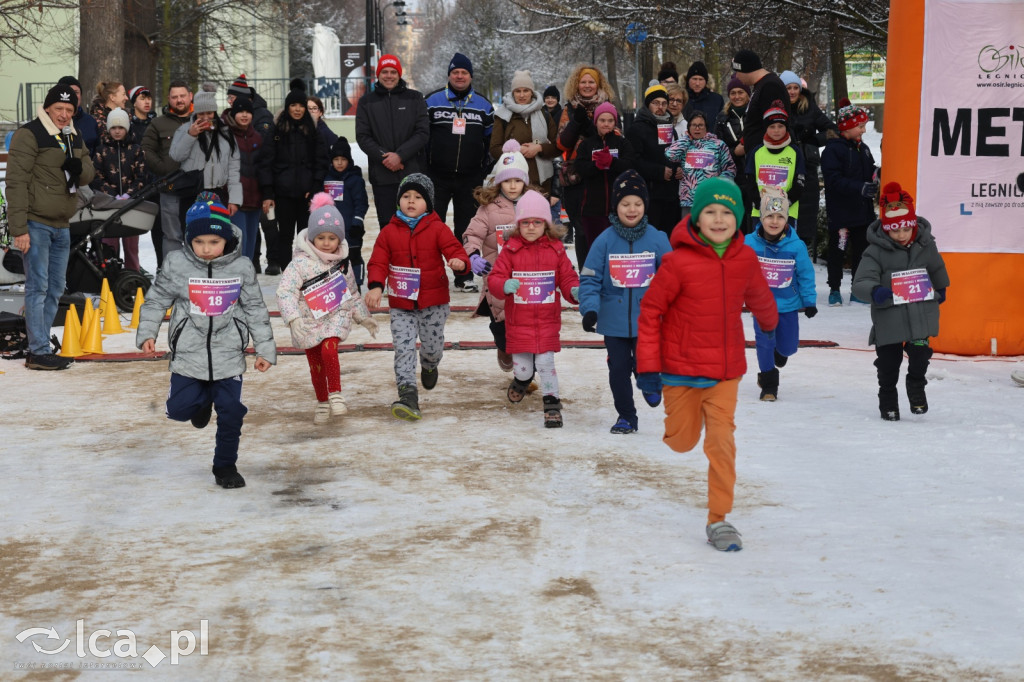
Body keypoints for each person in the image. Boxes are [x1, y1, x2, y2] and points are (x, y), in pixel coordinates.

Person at [636, 177, 778, 552]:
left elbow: (759, 294)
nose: (719, 219)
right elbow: (650, 312)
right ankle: (683, 425)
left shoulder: (745, 258)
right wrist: (647, 370)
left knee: (721, 442)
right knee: (682, 443)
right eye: (710, 212)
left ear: (739, 219)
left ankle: (719, 520)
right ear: (696, 219)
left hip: (725, 370)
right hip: (680, 369)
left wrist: (771, 328)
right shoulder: (677, 263)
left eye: (727, 212)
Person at [137, 196, 276, 488]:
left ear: (226, 239)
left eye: (214, 241)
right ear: (189, 239)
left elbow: (255, 310)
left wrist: (264, 349)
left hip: (228, 355)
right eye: (199, 241)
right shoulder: (177, 264)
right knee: (178, 409)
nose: (207, 249)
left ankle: (225, 467)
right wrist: (148, 332)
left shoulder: (242, 267)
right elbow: (155, 300)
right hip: (189, 353)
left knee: (232, 412)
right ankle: (201, 403)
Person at [363, 174, 469, 421]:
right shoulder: (389, 231)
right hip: (401, 303)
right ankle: (408, 393)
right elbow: (378, 261)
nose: (411, 201)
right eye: (406, 196)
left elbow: (455, 250)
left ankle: (430, 364)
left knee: (432, 347)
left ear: (428, 203)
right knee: (403, 347)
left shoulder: (438, 228)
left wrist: (459, 262)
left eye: (418, 197)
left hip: (434, 302)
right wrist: (377, 286)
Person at [6, 83, 96, 370]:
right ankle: (38, 350)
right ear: (47, 108)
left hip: (62, 223)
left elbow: (88, 172)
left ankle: (41, 345)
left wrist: (79, 168)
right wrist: (18, 228)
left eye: (69, 110)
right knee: (38, 287)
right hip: (35, 223)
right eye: (59, 109)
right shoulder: (29, 134)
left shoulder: (72, 134)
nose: (63, 114)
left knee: (56, 287)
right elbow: (16, 183)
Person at [578, 169, 671, 433]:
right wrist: (590, 309)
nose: (632, 210)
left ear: (645, 206)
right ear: (615, 207)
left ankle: (649, 380)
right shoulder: (604, 241)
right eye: (625, 204)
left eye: (637, 204)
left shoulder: (657, 239)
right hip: (613, 321)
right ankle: (627, 417)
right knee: (618, 370)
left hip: (648, 320)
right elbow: (590, 279)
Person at [275, 193, 378, 424]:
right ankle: (322, 401)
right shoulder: (300, 263)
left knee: (329, 349)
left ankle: (336, 394)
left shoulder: (343, 262)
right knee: (316, 364)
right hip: (307, 319)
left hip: (335, 315)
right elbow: (285, 291)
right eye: (321, 237)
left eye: (332, 237)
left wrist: (363, 317)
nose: (326, 242)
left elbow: (351, 292)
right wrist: (293, 318)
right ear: (312, 237)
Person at [852, 183, 949, 421]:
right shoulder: (875, 251)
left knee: (920, 355)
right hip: (889, 315)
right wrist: (875, 291)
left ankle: (916, 385)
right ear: (886, 230)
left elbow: (936, 266)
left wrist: (941, 286)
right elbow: (861, 281)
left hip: (919, 311)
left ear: (913, 224)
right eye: (895, 230)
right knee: (888, 362)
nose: (902, 235)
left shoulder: (925, 244)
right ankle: (887, 396)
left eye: (906, 228)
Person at [487, 189, 579, 428]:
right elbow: (495, 278)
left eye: (537, 222)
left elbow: (568, 277)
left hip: (547, 321)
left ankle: (551, 404)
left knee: (547, 364)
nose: (530, 227)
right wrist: (504, 285)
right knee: (525, 367)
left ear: (546, 224)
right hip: (519, 323)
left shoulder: (556, 249)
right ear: (518, 224)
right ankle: (522, 379)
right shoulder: (510, 250)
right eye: (525, 222)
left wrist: (574, 291)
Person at [464, 140, 540, 372]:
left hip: (529, 278)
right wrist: (474, 256)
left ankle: (527, 366)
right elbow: (472, 234)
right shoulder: (488, 209)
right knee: (502, 324)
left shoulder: (535, 205)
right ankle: (504, 346)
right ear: (499, 182)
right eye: (507, 180)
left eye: (518, 180)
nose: (513, 186)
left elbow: (549, 235)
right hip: (498, 277)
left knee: (529, 325)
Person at [424, 52, 495, 293]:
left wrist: (484, 167)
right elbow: (423, 137)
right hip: (437, 176)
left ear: (471, 76)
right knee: (433, 225)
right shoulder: (432, 101)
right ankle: (433, 273)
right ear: (449, 75)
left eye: (464, 72)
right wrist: (426, 166)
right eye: (455, 72)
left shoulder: (484, 105)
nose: (460, 76)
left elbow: (490, 142)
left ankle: (464, 275)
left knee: (467, 228)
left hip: (470, 178)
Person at [745, 187, 817, 401]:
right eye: (769, 216)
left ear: (786, 219)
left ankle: (780, 352)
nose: (774, 221)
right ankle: (769, 384)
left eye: (779, 216)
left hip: (788, 304)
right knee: (764, 342)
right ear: (761, 217)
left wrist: (809, 301)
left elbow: (805, 274)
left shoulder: (796, 245)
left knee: (788, 347)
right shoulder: (749, 243)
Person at [258, 84, 328, 273]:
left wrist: (314, 187)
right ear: (288, 107)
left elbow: (321, 161)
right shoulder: (276, 130)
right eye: (293, 105)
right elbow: (266, 162)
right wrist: (268, 191)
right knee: (285, 236)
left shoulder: (313, 130)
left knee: (305, 236)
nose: (297, 109)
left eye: (301, 105)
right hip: (283, 194)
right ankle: (289, 274)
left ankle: (305, 273)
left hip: (307, 194)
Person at [355, 54, 430, 228]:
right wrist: (386, 158)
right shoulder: (366, 102)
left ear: (399, 74)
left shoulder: (415, 98)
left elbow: (422, 133)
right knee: (388, 228)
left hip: (412, 174)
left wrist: (400, 156)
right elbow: (363, 137)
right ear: (378, 75)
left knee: (415, 227)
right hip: (382, 177)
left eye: (393, 72)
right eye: (385, 72)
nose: (389, 76)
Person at [821, 98, 878, 306]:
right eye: (860, 126)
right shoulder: (833, 150)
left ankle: (857, 289)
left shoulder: (863, 149)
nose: (863, 130)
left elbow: (869, 169)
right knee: (838, 251)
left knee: (862, 252)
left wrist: (876, 174)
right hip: (841, 214)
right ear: (847, 127)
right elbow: (833, 180)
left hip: (862, 213)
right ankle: (834, 289)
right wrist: (859, 187)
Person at [556, 64, 615, 265]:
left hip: (602, 176)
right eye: (583, 81)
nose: (587, 85)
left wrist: (589, 126)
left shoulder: (608, 107)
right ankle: (585, 276)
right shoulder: (569, 109)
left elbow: (615, 141)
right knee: (581, 230)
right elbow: (561, 143)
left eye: (591, 81)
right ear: (576, 84)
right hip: (576, 177)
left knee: (601, 227)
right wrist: (575, 122)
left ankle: (602, 274)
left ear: (598, 84)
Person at [780, 70, 838, 251]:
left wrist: (813, 140)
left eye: (795, 88)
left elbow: (832, 130)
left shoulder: (810, 107)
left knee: (806, 208)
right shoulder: (776, 107)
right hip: (782, 162)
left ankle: (803, 245)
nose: (792, 91)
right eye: (788, 88)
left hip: (807, 164)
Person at [574, 102, 636, 268]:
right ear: (596, 122)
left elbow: (630, 164)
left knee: (616, 253)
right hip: (592, 208)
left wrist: (612, 162)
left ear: (615, 122)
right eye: (602, 120)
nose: (606, 124)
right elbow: (579, 167)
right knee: (594, 251)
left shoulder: (623, 143)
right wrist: (596, 166)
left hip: (618, 209)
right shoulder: (587, 144)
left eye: (610, 120)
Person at [169, 90, 241, 228]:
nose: (206, 117)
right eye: (201, 114)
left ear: (215, 112)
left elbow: (234, 168)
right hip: (192, 193)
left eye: (209, 113)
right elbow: (176, 156)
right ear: (195, 113)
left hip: (218, 194)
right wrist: (191, 135)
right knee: (192, 238)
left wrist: (234, 199)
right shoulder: (184, 130)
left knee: (216, 236)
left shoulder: (226, 133)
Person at [142, 79, 193, 263]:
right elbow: (146, 150)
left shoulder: (202, 120)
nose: (179, 100)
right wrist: (163, 169)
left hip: (198, 190)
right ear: (168, 99)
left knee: (197, 235)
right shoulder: (158, 123)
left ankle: (195, 278)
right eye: (174, 97)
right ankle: (171, 277)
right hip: (170, 188)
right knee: (171, 236)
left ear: (190, 96)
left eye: (182, 96)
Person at [91, 107, 145, 271]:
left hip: (130, 206)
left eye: (120, 127)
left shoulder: (136, 150)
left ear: (126, 128)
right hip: (109, 206)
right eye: (113, 128)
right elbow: (96, 177)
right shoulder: (102, 151)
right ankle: (110, 276)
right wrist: (113, 195)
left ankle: (131, 277)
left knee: (131, 247)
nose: (117, 131)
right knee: (109, 245)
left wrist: (129, 195)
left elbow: (142, 176)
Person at [626, 84, 682, 235]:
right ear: (648, 105)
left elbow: (674, 154)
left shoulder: (669, 126)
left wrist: (678, 169)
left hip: (670, 194)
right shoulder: (637, 129)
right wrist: (658, 171)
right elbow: (634, 161)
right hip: (650, 194)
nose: (660, 107)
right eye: (656, 103)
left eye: (664, 103)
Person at [490, 70, 558, 195]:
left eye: (526, 90)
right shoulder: (502, 115)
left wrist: (539, 148)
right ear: (513, 93)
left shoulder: (544, 114)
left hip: (541, 183)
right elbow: (494, 149)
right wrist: (516, 151)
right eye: (518, 91)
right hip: (512, 184)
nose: (522, 95)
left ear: (531, 92)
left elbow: (557, 146)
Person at [743, 100, 805, 230]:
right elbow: (749, 181)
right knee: (760, 249)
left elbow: (800, 182)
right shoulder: (756, 152)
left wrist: (785, 203)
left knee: (785, 249)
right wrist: (760, 203)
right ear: (766, 128)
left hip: (788, 212)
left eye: (780, 126)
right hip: (760, 212)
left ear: (786, 127)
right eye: (772, 126)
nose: (776, 130)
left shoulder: (795, 152)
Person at [664, 111, 736, 220]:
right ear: (689, 127)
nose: (697, 128)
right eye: (694, 125)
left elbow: (730, 169)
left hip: (711, 199)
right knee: (688, 234)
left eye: (700, 125)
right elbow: (669, 155)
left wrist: (718, 186)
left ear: (706, 127)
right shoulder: (685, 144)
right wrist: (687, 139)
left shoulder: (718, 145)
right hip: (689, 201)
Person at [223, 96, 264, 265]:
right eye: (240, 112)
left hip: (255, 200)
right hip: (235, 202)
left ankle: (246, 278)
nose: (244, 115)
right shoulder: (226, 136)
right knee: (238, 243)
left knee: (250, 243)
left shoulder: (258, 138)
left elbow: (264, 168)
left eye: (248, 112)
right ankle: (237, 280)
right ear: (234, 114)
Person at [323, 137, 369, 288]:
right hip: (331, 230)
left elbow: (361, 203)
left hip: (351, 230)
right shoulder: (326, 180)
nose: (340, 162)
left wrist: (357, 222)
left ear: (349, 160)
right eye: (336, 159)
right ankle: (335, 287)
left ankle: (356, 285)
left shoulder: (355, 179)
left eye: (343, 159)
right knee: (332, 259)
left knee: (353, 258)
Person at [732, 49, 791, 157]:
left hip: (769, 160)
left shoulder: (770, 86)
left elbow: (775, 124)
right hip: (759, 154)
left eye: (737, 72)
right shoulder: (761, 85)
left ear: (745, 69)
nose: (737, 76)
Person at [715, 75, 753, 233]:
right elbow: (717, 147)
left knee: (752, 220)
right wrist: (734, 152)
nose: (737, 96)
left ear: (747, 94)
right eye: (733, 93)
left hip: (753, 176)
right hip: (733, 177)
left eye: (740, 92)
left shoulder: (755, 115)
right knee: (734, 218)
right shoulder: (722, 118)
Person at [57, 76, 99, 154]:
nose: (73, 95)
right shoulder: (52, 122)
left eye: (76, 92)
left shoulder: (90, 122)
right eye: (69, 92)